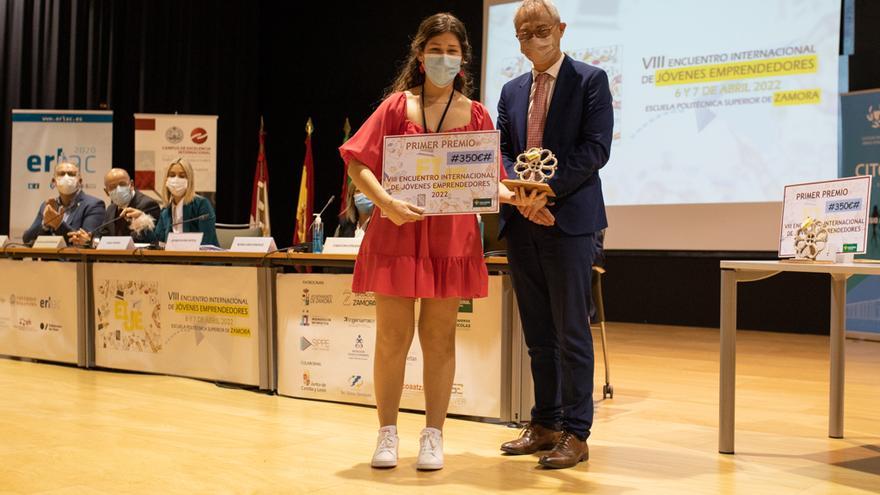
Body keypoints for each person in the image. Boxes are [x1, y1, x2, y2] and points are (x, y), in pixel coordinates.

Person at [339, 12, 526, 471]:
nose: (444, 58)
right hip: (397, 230)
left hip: (452, 240)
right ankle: (386, 434)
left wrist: (518, 194)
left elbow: (489, 181)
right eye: (436, 49)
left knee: (440, 340)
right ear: (420, 55)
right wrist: (384, 203)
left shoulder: (477, 114)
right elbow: (357, 164)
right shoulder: (395, 107)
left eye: (453, 51)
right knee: (391, 339)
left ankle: (433, 435)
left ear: (463, 59)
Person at [496, 0, 613, 469]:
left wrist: (545, 192)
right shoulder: (510, 90)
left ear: (560, 29)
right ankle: (544, 423)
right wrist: (519, 195)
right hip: (521, 221)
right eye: (524, 34)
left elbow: (595, 149)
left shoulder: (590, 80)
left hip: (569, 221)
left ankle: (576, 433)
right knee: (538, 334)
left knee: (570, 333)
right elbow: (500, 151)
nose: (532, 40)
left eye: (540, 30)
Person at [67, 168, 161, 245]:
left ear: (131, 185)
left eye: (122, 184)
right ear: (106, 192)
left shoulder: (148, 205)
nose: (119, 189)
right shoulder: (111, 209)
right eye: (113, 186)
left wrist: (92, 242)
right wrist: (88, 239)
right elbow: (101, 236)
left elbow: (139, 241)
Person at [22, 160, 105, 246]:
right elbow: (27, 239)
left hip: (74, 259)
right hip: (48, 258)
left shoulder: (94, 205)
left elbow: (85, 242)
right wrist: (45, 224)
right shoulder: (47, 206)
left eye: (71, 174)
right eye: (61, 174)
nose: (66, 177)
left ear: (80, 182)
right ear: (54, 181)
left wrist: (59, 224)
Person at [149, 158, 219, 246]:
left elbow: (207, 241)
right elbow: (158, 241)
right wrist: (142, 222)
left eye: (182, 176)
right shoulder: (166, 210)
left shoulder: (201, 204)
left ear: (190, 180)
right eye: (172, 175)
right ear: (166, 180)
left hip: (197, 257)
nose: (176, 179)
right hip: (173, 257)